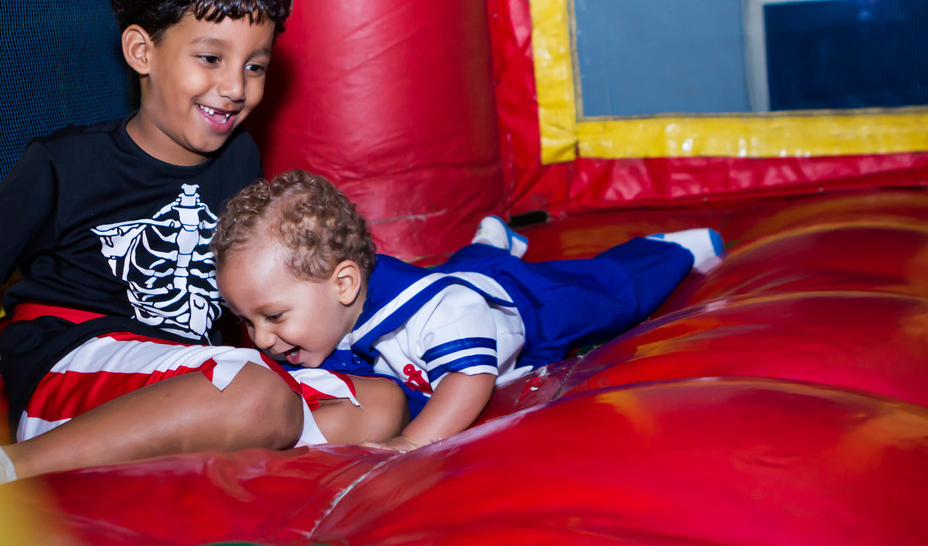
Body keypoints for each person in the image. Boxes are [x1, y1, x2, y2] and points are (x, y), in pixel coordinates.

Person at [0, 0, 404, 486]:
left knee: (381, 405)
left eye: (255, 67)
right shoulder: (67, 162)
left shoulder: (240, 159)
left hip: (194, 379)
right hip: (79, 373)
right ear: (143, 52)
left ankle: (197, 443)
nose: (235, 88)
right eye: (210, 58)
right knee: (257, 397)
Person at [212, 169, 724, 452]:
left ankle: (667, 250)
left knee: (608, 294)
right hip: (454, 276)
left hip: (524, 307)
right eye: (247, 320)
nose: (259, 338)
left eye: (273, 316)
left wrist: (412, 442)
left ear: (344, 284)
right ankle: (491, 241)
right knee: (464, 263)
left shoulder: (441, 313)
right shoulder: (323, 316)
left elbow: (468, 380)